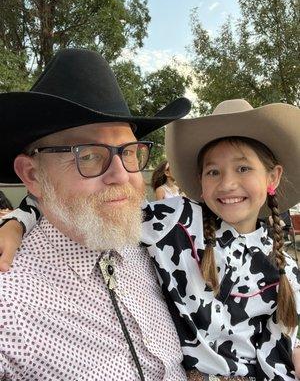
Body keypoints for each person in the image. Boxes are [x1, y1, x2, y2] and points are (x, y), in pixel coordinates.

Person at [1, 99, 300, 380]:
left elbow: (287, 339)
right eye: (213, 171)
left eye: (244, 168)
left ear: (272, 178)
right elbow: (84, 204)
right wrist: (18, 221)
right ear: (200, 181)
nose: (228, 183)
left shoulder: (283, 264)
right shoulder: (176, 223)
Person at [0, 48, 192, 380]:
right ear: (32, 175)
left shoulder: (160, 240)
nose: (122, 175)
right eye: (89, 155)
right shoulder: (11, 305)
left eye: (130, 152)